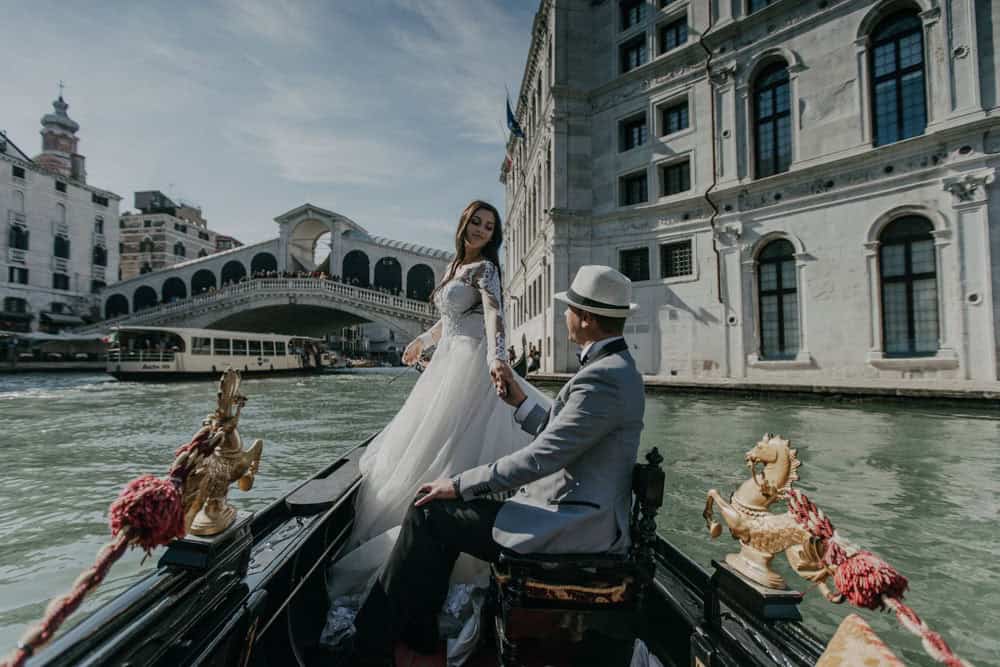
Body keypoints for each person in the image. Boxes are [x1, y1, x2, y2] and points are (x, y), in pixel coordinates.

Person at [338, 265, 644, 666]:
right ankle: (418, 631)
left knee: (429, 510)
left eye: (569, 309)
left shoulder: (603, 378)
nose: (565, 315)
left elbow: (542, 457)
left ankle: (371, 645)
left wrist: (461, 483)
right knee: (434, 511)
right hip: (574, 510)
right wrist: (520, 402)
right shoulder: (613, 370)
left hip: (572, 525)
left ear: (585, 318)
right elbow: (564, 433)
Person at [321, 201, 549, 660]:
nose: (483, 230)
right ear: (463, 224)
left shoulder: (486, 269)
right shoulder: (453, 267)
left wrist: (497, 360)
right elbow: (450, 322)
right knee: (423, 446)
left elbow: (493, 318)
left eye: (490, 225)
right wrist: (421, 340)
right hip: (445, 365)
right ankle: (417, 559)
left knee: (453, 450)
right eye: (477, 223)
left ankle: (432, 559)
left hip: (471, 369)